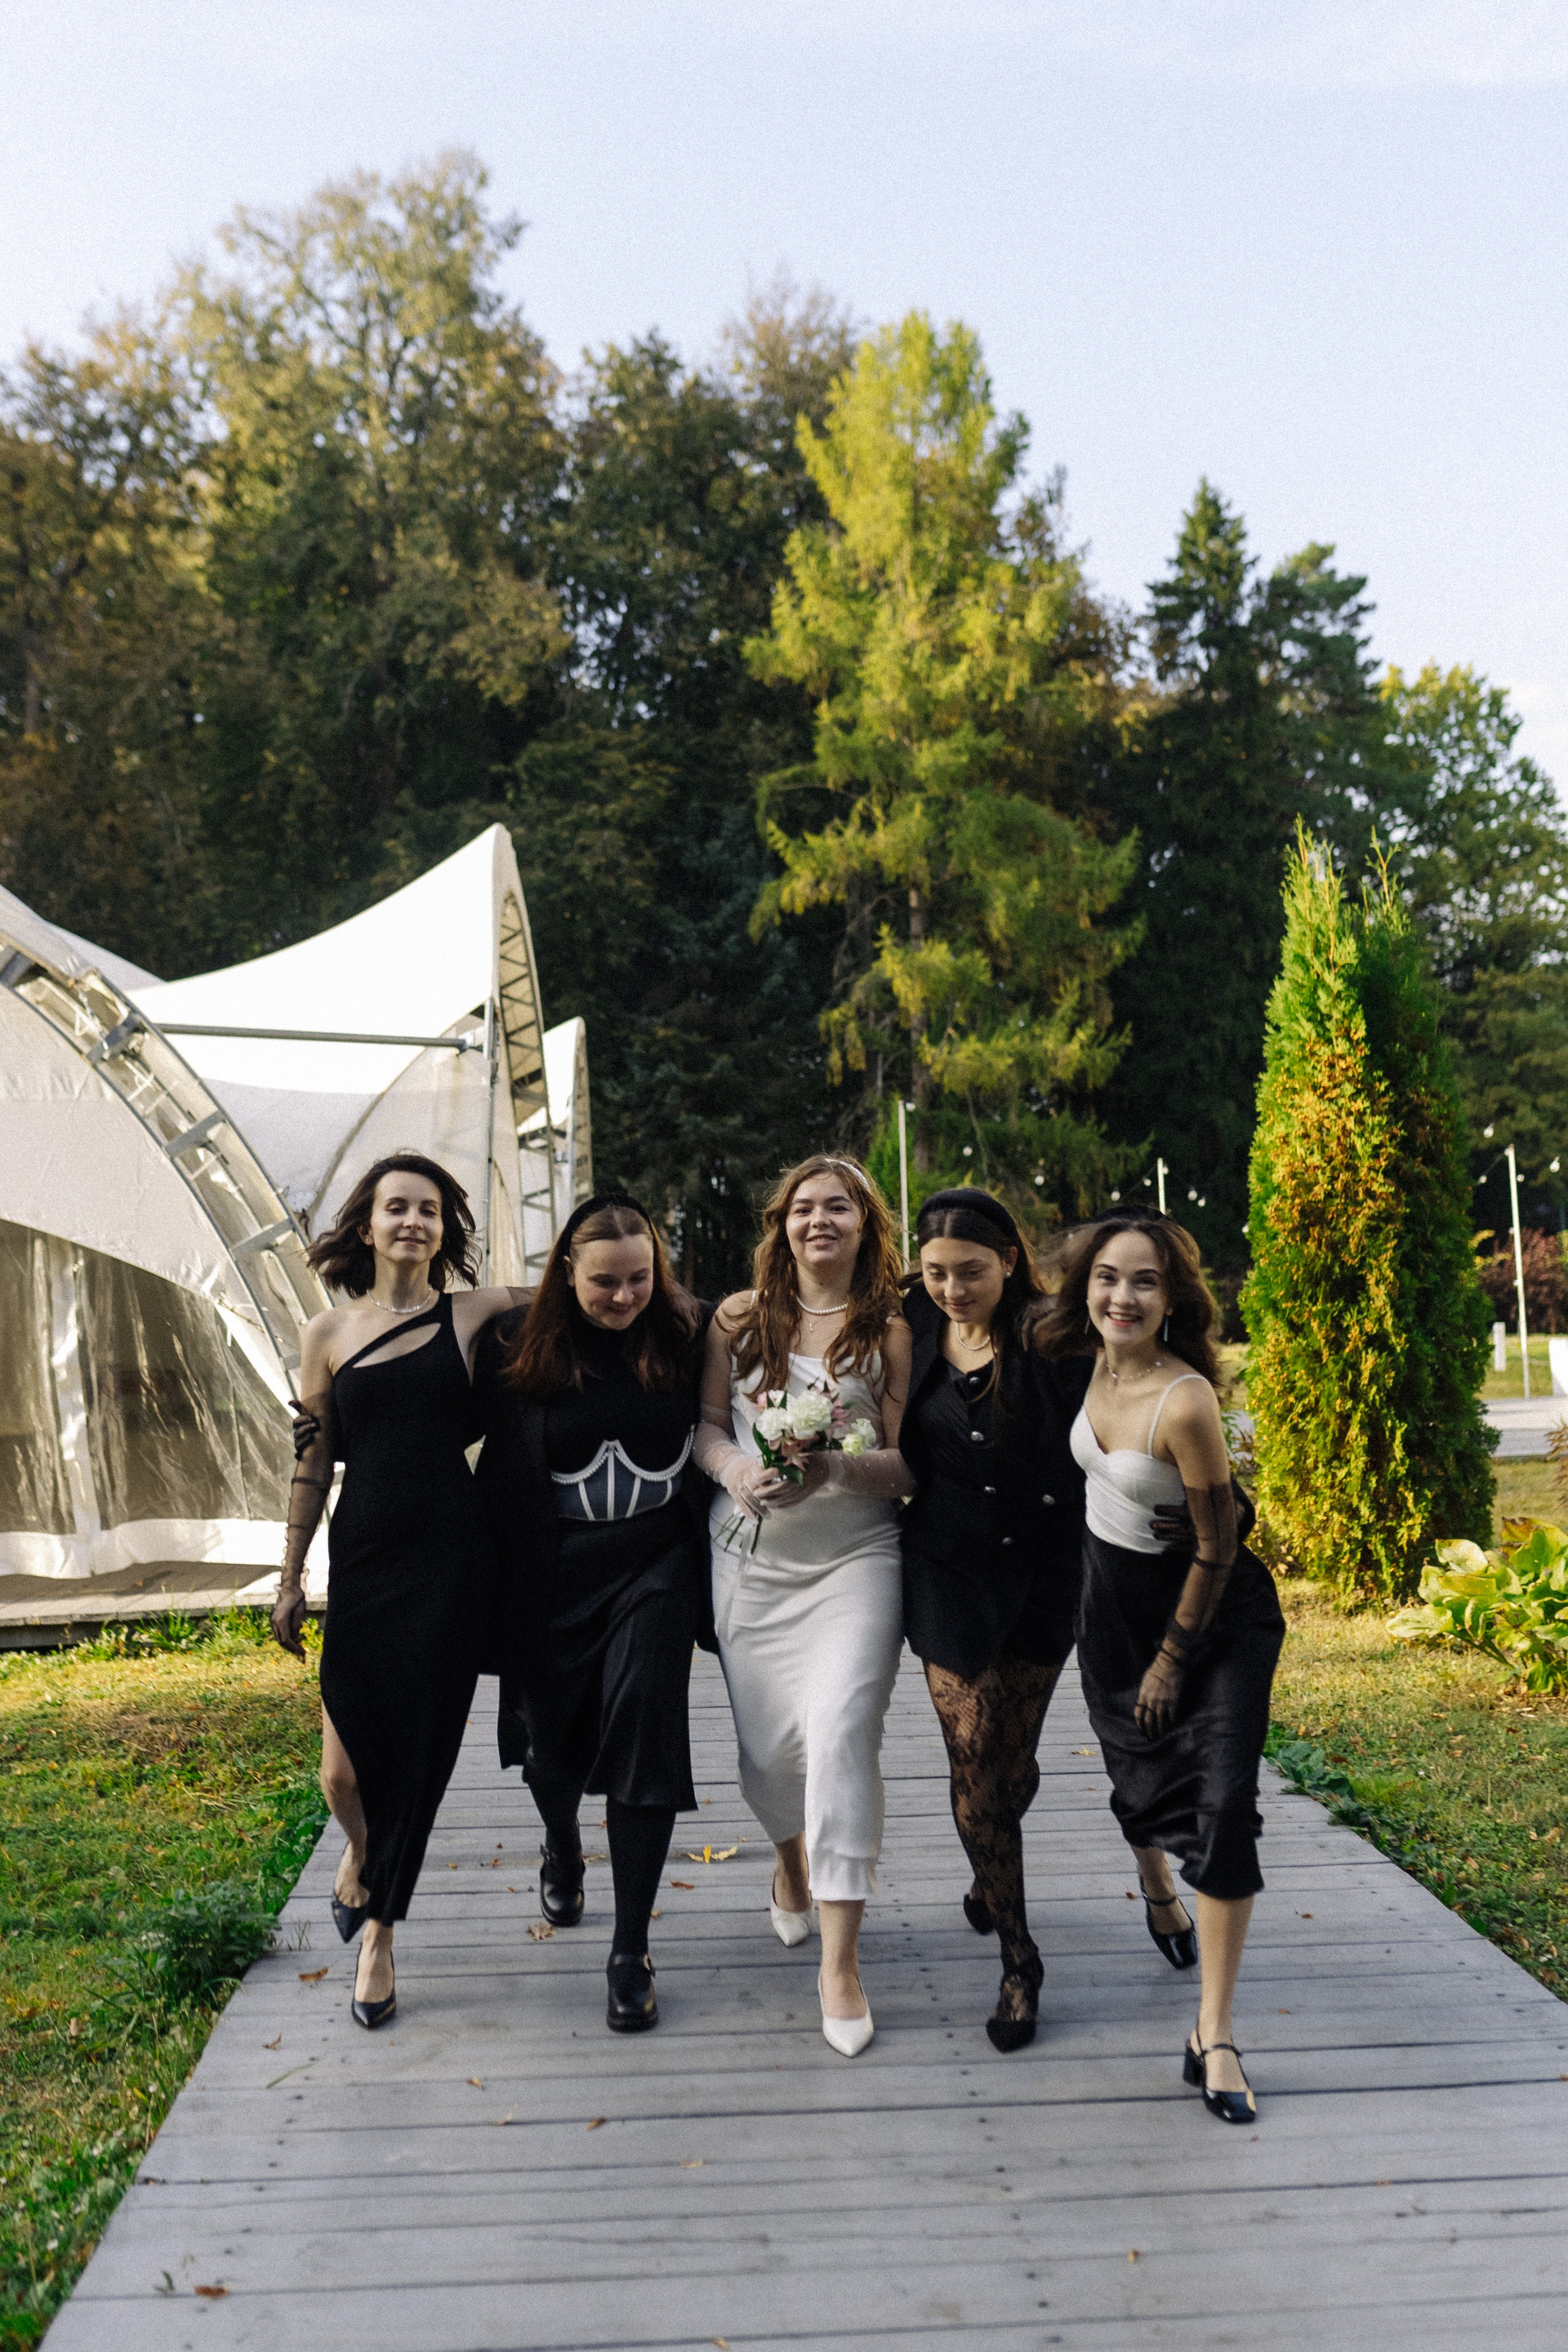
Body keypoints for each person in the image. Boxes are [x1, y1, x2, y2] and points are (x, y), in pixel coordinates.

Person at [272, 1153, 527, 2031]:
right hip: (366, 1558)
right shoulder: (328, 1331)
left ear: (443, 1229)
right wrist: (290, 1578)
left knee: (418, 1757)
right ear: (368, 1224)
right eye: (397, 1208)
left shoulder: (475, 1312)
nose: (413, 1221)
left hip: (453, 1560)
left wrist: (702, 1309)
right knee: (340, 1773)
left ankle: (379, 1933)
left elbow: (580, 1290)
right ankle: (363, 1854)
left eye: (428, 1210)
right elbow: (313, 1463)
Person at [1041, 1210, 1285, 2123]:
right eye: (1108, 1277)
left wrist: (1172, 1662)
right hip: (1111, 1609)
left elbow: (1220, 1546)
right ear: (1084, 1287)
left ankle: (1213, 2035)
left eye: (1145, 1281)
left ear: (1173, 1297)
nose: (1123, 1296)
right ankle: (1156, 1886)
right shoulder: (1078, 1359)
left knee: (1223, 1812)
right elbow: (965, 1292)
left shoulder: (1184, 1401)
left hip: (1211, 1625)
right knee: (1138, 1779)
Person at [473, 1196, 712, 2034]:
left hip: (655, 1562)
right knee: (550, 1749)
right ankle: (562, 1843)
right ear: (566, 1272)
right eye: (605, 1282)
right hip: (549, 1567)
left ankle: (630, 1950)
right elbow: (428, 1415)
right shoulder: (513, 1342)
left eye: (640, 1278)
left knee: (647, 1729)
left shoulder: (690, 1332)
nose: (624, 1297)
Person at [694, 1155, 912, 2058]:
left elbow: (906, 1464)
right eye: (804, 1209)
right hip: (751, 1565)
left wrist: (832, 1469)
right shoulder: (739, 1320)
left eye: (839, 1208)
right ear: (781, 1225)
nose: (820, 1221)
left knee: (841, 1734)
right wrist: (736, 1470)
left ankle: (840, 1962)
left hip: (855, 1561)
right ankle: (790, 1863)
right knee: (768, 1754)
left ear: (866, 1225)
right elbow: (708, 1428)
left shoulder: (888, 1332)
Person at [898, 1189, 1095, 2052]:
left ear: (1009, 1261)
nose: (952, 1289)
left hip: (1044, 1571)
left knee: (1011, 1769)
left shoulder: (1053, 1337)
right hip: (945, 1567)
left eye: (971, 1271)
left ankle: (989, 1873)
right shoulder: (907, 1323)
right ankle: (1020, 1958)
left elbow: (1119, 1417)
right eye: (936, 1272)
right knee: (975, 1750)